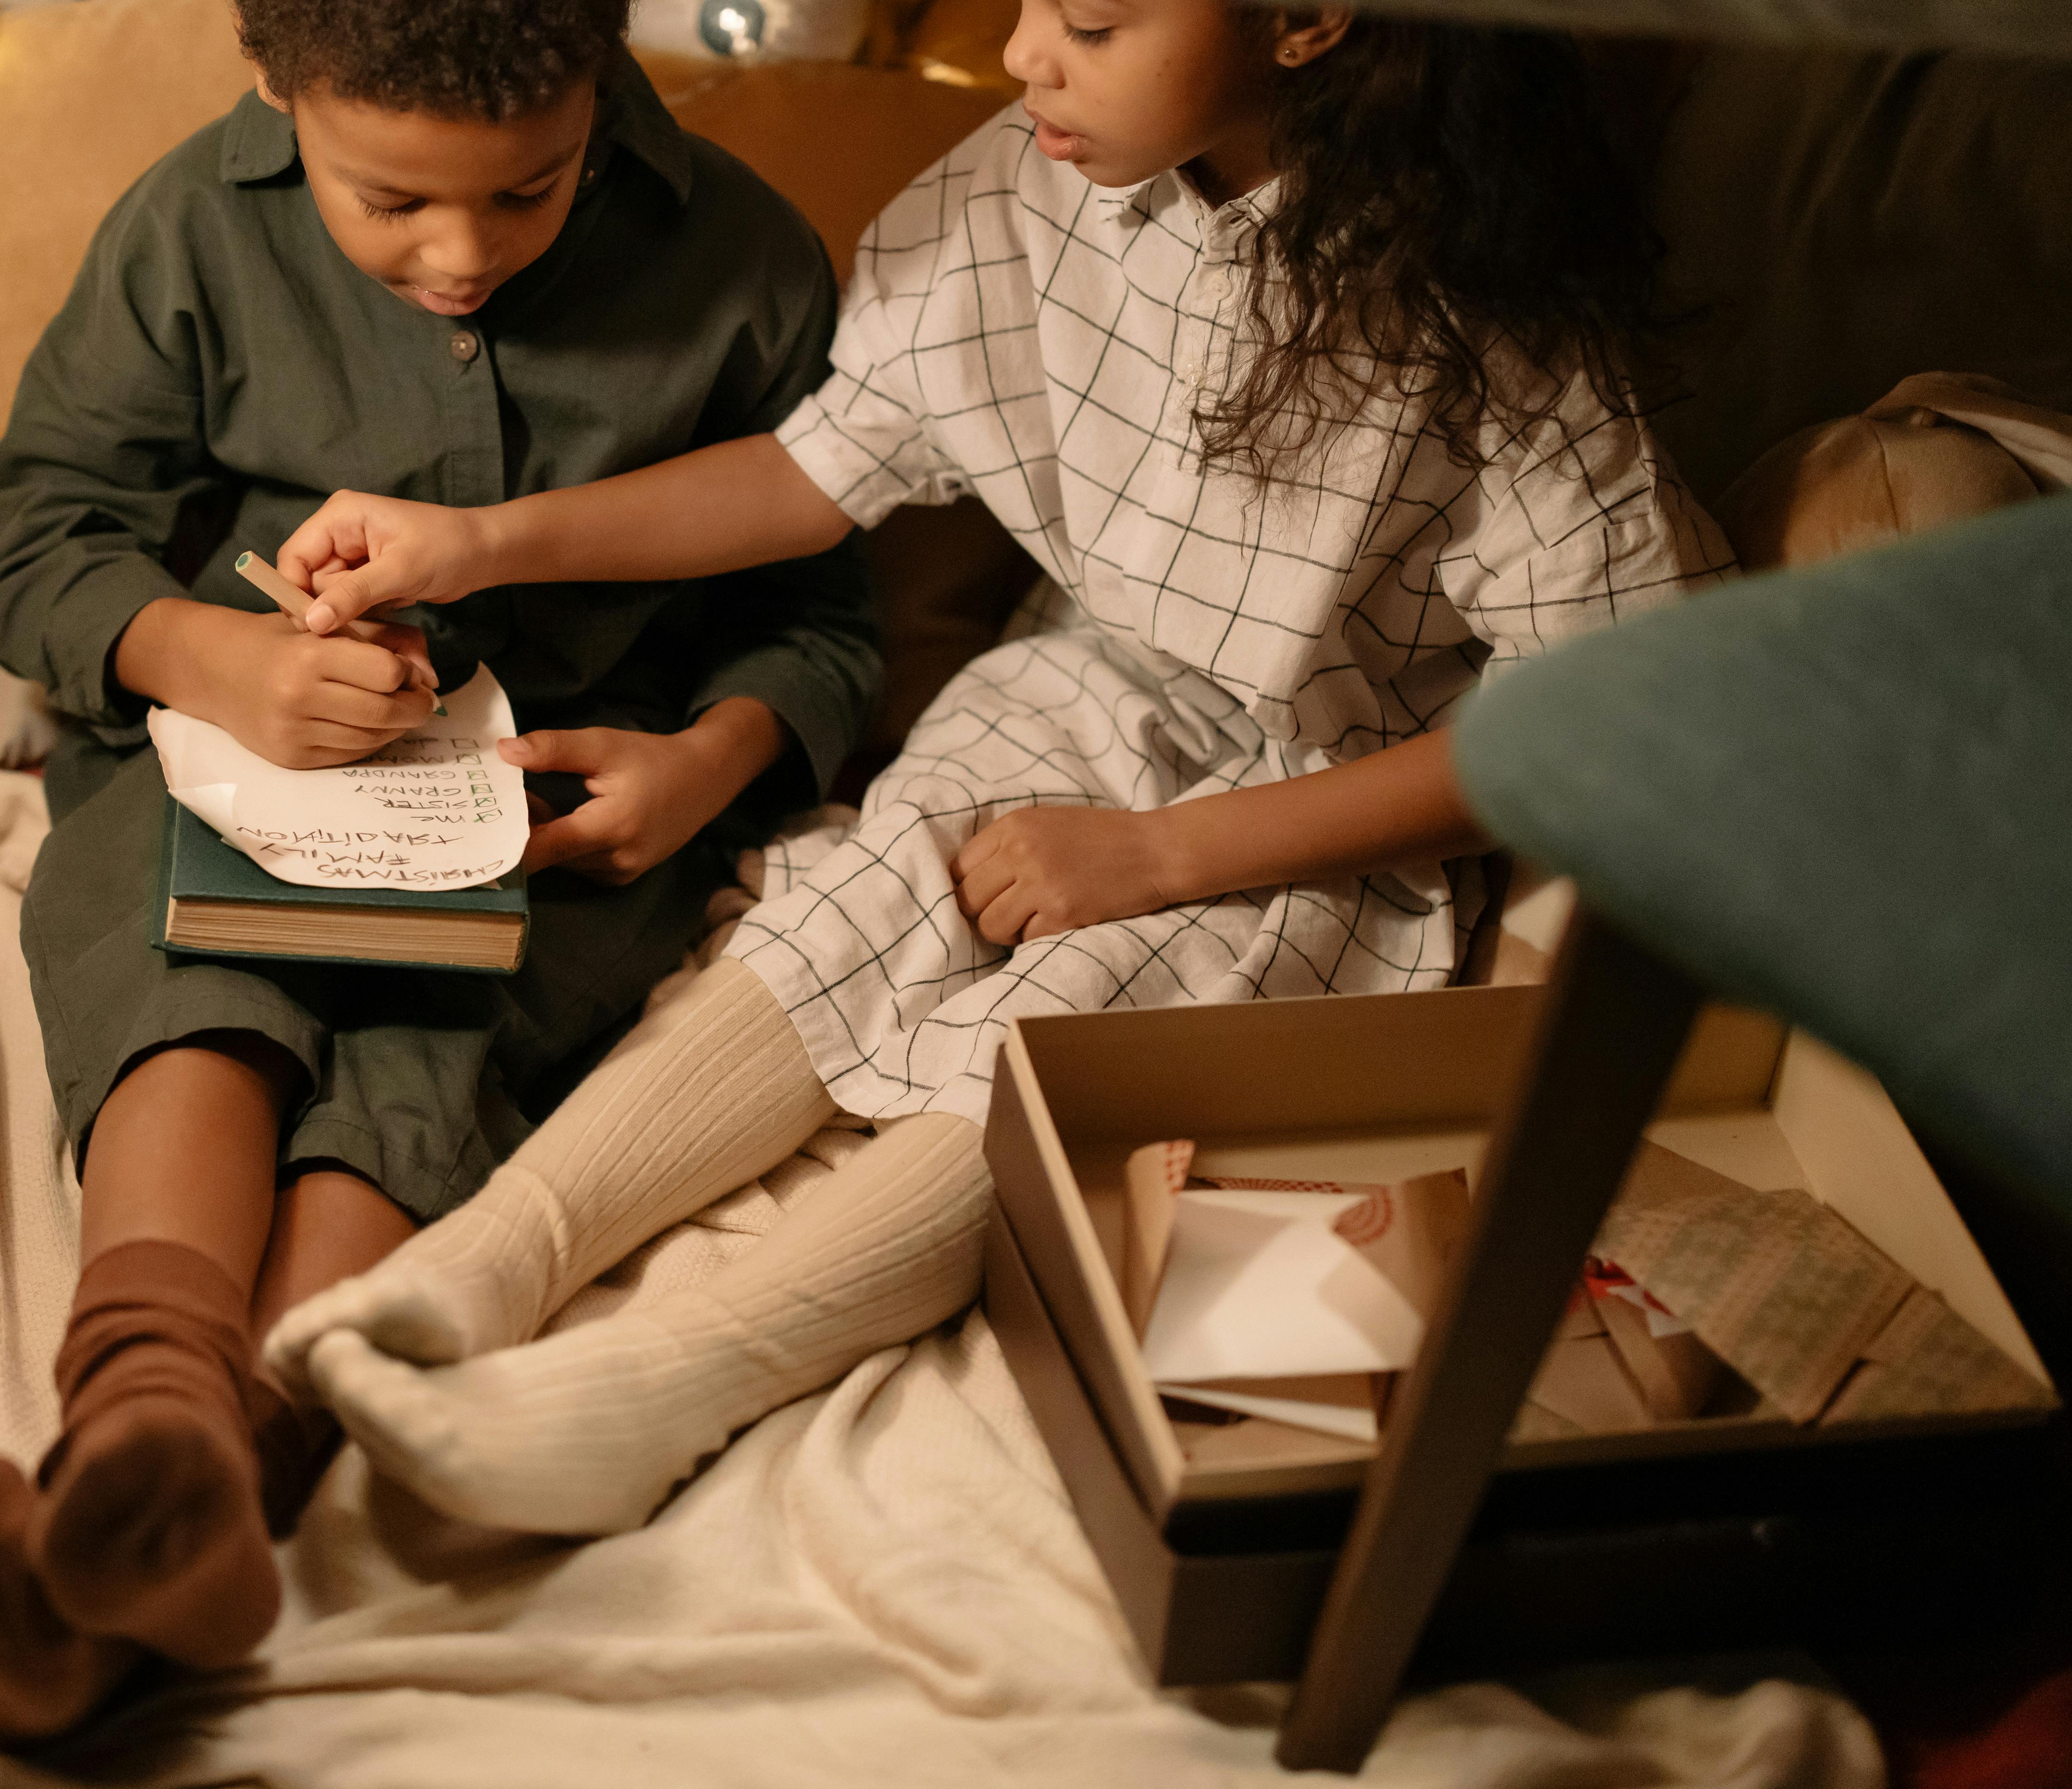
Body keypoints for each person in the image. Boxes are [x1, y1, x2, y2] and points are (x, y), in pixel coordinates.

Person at [258, 0, 1735, 1538]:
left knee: (1064, 1022)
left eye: (1088, 20)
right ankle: (493, 1257)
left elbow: (1598, 726)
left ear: (1303, 21)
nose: (1025, 51)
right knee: (866, 895)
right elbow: (816, 472)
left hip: (1327, 805)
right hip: (1092, 680)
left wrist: (1164, 857)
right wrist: (483, 547)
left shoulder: (1489, 326)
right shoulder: (1026, 187)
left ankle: (672, 1380)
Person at [0, 0, 879, 1747]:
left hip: (568, 788)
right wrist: (207, 663)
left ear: (599, 95)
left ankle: (184, 1494)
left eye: (529, 196)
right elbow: (41, 524)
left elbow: (823, 601)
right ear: (278, 91)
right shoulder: (192, 230)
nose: (461, 259)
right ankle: (151, 1413)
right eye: (392, 206)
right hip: (223, 742)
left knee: (422, 1058)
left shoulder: (740, 257)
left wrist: (716, 758)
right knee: (194, 976)